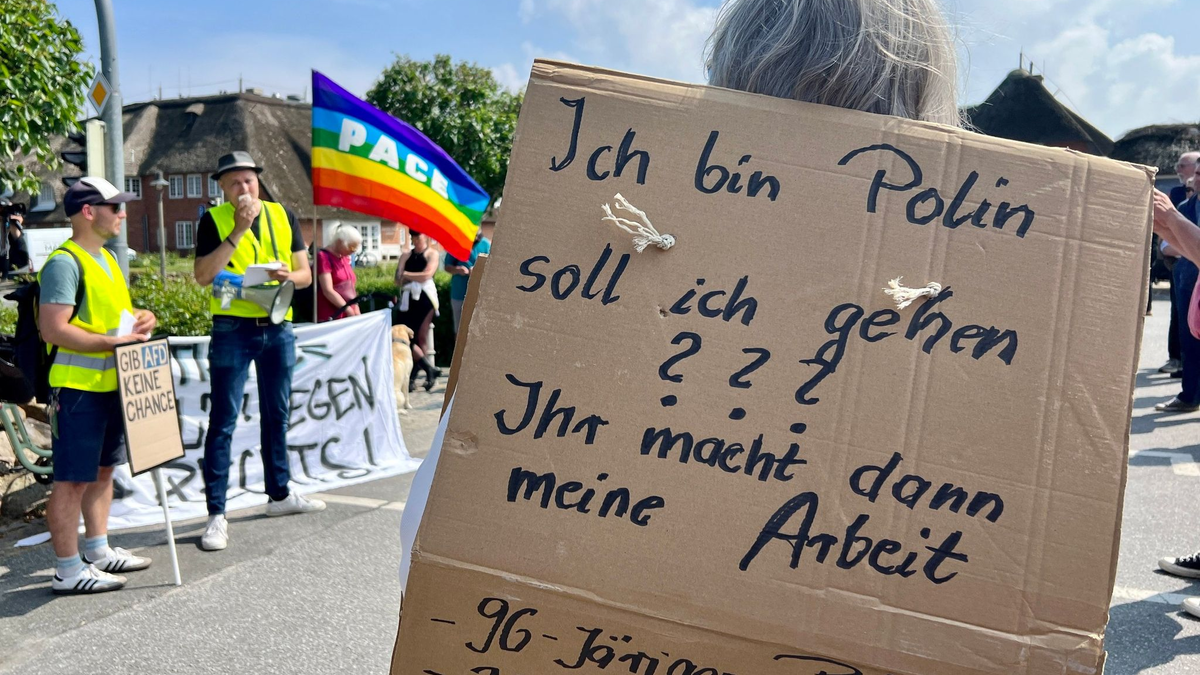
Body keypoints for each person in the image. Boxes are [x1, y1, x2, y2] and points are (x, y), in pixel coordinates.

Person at [397, 0, 963, 592]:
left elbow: (434, 549)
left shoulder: (590, 271)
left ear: (725, 82)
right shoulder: (955, 322)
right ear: (923, 105)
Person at [192, 151, 324, 552]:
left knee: (277, 413)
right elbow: (202, 277)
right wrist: (237, 232)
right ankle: (217, 513)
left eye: (248, 181)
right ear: (222, 189)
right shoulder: (213, 221)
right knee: (224, 420)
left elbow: (305, 275)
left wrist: (290, 275)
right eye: (234, 183)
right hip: (232, 329)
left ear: (258, 182)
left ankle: (279, 495)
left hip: (278, 325)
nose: (243, 188)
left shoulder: (282, 215)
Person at [39, 177, 157, 594]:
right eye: (115, 207)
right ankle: (68, 571)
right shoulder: (64, 262)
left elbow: (118, 317)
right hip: (76, 390)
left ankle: (98, 550)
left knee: (104, 471)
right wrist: (113, 343)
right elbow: (53, 330)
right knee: (72, 479)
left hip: (110, 386)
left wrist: (142, 317)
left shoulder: (106, 259)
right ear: (89, 212)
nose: (123, 213)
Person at [394, 230, 440, 392]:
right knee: (405, 338)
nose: (415, 240)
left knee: (421, 337)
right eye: (413, 237)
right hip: (408, 299)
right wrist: (407, 276)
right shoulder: (406, 255)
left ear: (425, 236)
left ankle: (415, 377)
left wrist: (407, 274)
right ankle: (428, 369)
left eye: (418, 236)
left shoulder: (432, 254)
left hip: (425, 299)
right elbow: (397, 279)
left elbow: (427, 275)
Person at [444, 229, 491, 335]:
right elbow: (447, 266)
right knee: (460, 331)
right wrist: (458, 270)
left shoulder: (485, 244)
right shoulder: (456, 243)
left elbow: (492, 266)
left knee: (478, 331)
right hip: (459, 294)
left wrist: (477, 270)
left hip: (479, 295)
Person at [316, 225, 362, 322]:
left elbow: (350, 288)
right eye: (351, 246)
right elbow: (328, 290)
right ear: (339, 242)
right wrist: (348, 309)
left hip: (349, 314)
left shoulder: (344, 258)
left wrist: (356, 307)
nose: (353, 251)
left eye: (356, 247)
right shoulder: (323, 257)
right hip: (332, 315)